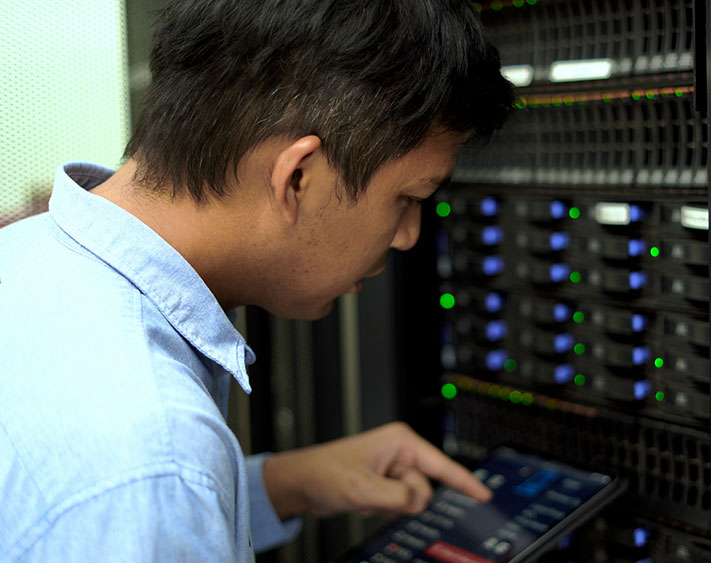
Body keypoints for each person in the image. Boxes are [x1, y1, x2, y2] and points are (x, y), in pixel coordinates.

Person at [0, 0, 513, 560]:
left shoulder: (26, 253)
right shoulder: (155, 465)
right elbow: (146, 492)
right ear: (296, 178)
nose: (408, 235)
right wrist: (187, 485)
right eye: (409, 199)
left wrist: (287, 483)